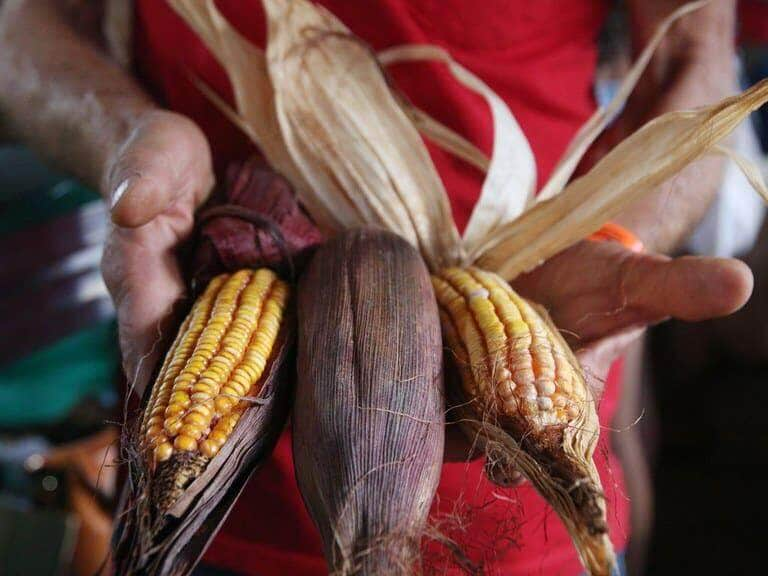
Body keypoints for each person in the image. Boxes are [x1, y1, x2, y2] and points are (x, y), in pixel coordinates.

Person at [0, 1, 752, 574]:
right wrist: (126, 141)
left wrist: (617, 237)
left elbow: (693, 57)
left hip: (521, 487)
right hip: (199, 517)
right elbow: (23, 27)